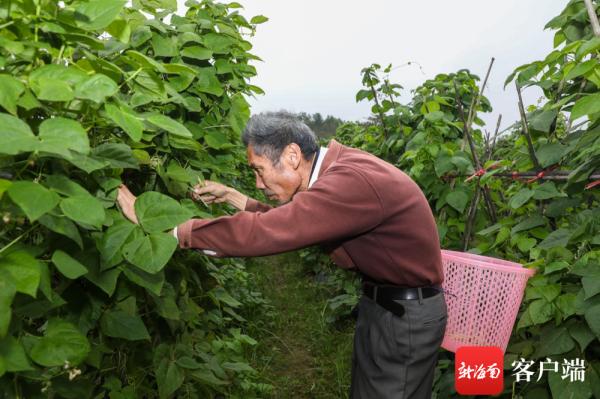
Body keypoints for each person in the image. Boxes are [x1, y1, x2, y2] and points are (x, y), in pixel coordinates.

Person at [117, 111, 447, 398]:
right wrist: (235, 197)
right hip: (386, 305)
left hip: (406, 316)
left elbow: (271, 230)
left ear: (291, 155)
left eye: (259, 170)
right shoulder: (338, 171)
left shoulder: (350, 182)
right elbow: (297, 219)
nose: (258, 184)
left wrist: (171, 229)